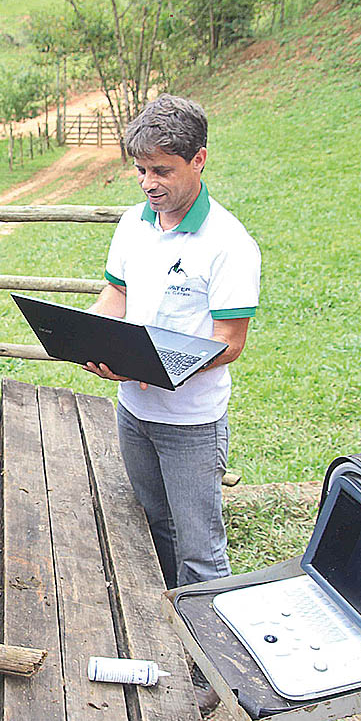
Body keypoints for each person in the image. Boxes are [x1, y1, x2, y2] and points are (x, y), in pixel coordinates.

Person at [84, 94, 260, 590]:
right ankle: (168, 619)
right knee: (154, 525)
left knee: (201, 547)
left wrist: (151, 363)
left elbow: (229, 342)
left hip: (191, 422)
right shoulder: (132, 223)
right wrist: (94, 336)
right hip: (133, 413)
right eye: (140, 171)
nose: (148, 184)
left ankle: (208, 659)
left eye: (161, 171)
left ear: (198, 159)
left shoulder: (229, 244)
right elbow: (116, 293)